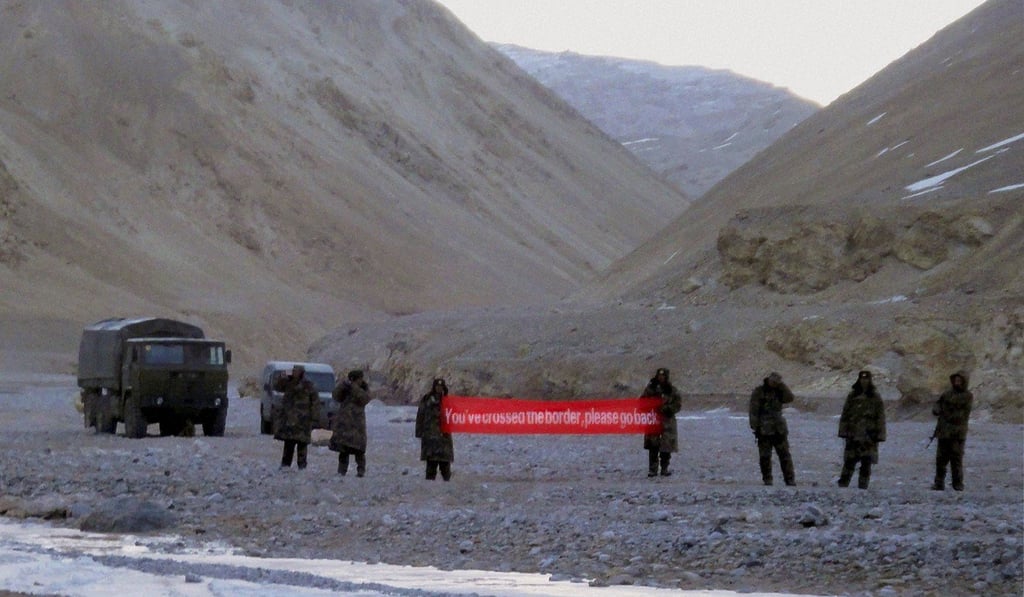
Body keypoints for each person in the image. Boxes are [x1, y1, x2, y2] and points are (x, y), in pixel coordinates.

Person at [837, 370, 886, 489]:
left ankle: (863, 487)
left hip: (869, 436)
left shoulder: (875, 397)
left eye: (866, 379)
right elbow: (845, 414)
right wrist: (843, 431)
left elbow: (880, 417)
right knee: (849, 461)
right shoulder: (852, 395)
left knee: (866, 462)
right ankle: (843, 484)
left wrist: (880, 435)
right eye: (862, 379)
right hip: (853, 434)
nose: (864, 381)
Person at [749, 372, 796, 486]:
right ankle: (767, 479)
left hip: (779, 429)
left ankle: (789, 480)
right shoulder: (759, 391)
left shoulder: (780, 391)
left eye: (777, 382)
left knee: (785, 455)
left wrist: (782, 386)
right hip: (764, 430)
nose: (774, 384)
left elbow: (790, 398)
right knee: (765, 456)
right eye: (773, 382)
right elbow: (753, 411)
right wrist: (755, 427)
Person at [931, 370, 974, 491]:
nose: (957, 382)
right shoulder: (947, 394)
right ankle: (939, 483)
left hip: (957, 434)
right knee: (941, 460)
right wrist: (937, 410)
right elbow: (937, 405)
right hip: (944, 432)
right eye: (956, 380)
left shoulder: (967, 396)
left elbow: (961, 414)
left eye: (959, 380)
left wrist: (946, 413)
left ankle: (958, 484)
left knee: (956, 460)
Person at [273, 364, 320, 470]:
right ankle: (285, 465)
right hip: (289, 418)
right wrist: (282, 375)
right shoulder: (288, 382)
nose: (294, 372)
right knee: (288, 443)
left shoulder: (308, 385)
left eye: (296, 371)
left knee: (302, 444)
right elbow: (277, 386)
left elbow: (315, 401)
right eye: (293, 370)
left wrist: (315, 417)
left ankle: (302, 465)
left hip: (303, 419)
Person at [329, 369, 373, 477]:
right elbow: (335, 396)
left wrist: (354, 387)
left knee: (359, 449)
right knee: (343, 449)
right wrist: (343, 385)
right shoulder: (346, 388)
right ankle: (341, 471)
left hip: (357, 424)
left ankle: (361, 471)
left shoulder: (363, 389)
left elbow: (365, 399)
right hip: (344, 423)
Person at [642, 368, 682, 478]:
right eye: (659, 376)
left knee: (666, 447)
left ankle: (664, 468)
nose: (661, 378)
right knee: (653, 446)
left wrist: (667, 409)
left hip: (667, 422)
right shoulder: (650, 389)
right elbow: (642, 402)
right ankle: (653, 469)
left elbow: (677, 405)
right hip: (654, 420)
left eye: (663, 376)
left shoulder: (672, 390)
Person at [415, 378, 454, 481]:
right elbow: (420, 416)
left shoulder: (447, 401)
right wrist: (419, 432)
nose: (439, 388)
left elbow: (454, 417)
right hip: (430, 438)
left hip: (443, 440)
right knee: (431, 466)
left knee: (445, 467)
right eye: (437, 386)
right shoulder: (427, 399)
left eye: (441, 387)